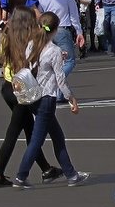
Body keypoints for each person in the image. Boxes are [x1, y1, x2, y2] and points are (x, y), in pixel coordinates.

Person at [12, 11, 89, 189]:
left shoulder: (31, 45)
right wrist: (71, 98)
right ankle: (21, 176)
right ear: (55, 30)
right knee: (37, 140)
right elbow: (60, 80)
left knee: (57, 137)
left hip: (33, 96)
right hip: (47, 98)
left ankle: (71, 174)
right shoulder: (53, 51)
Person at [0, 10, 60, 187]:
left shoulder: (6, 36)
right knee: (14, 132)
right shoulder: (30, 39)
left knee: (29, 128)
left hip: (7, 87)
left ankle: (46, 169)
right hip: (21, 88)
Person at [37, 0, 86, 80]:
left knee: (49, 61)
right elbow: (73, 15)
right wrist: (79, 31)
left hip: (46, 30)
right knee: (69, 60)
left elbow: (40, 14)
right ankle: (56, 82)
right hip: (62, 29)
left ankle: (54, 87)